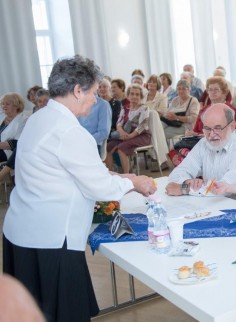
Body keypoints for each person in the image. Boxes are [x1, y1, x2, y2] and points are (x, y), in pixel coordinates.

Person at [3, 55, 157, 322]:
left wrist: (112, 173)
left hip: (21, 231)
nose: (96, 99)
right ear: (77, 90)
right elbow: (100, 188)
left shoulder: (40, 118)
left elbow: (64, 169)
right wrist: (135, 181)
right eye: (95, 92)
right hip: (51, 238)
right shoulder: (70, 131)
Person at [166, 103, 236, 204]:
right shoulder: (204, 143)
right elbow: (176, 174)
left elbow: (222, 190)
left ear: (232, 126)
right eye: (207, 128)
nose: (211, 135)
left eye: (218, 128)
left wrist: (185, 188)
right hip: (213, 204)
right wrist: (188, 182)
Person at [106, 84, 151, 173]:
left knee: (121, 148)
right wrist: (122, 133)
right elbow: (119, 123)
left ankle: (127, 176)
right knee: (108, 147)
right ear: (128, 95)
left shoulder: (144, 108)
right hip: (126, 134)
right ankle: (110, 174)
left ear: (141, 96)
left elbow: (141, 126)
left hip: (141, 135)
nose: (134, 96)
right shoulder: (125, 108)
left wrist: (130, 136)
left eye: (137, 94)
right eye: (132, 94)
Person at [0, 92, 28, 163]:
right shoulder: (2, 115)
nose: (4, 106)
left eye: (7, 104)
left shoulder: (23, 120)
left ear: (16, 105)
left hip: (8, 152)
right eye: (3, 104)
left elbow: (16, 142)